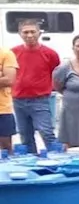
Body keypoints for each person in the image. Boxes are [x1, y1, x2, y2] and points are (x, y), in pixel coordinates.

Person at [11, 18, 60, 152]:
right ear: (20, 34)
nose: (29, 35)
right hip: (18, 100)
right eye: (25, 32)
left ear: (39, 33)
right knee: (25, 136)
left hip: (41, 100)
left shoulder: (50, 54)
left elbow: (55, 73)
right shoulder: (13, 53)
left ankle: (55, 160)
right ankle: (31, 164)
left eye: (33, 32)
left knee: (47, 133)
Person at [0, 45, 16, 152]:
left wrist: (4, 77)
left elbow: (9, 80)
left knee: (5, 148)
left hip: (2, 110)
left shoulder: (6, 54)